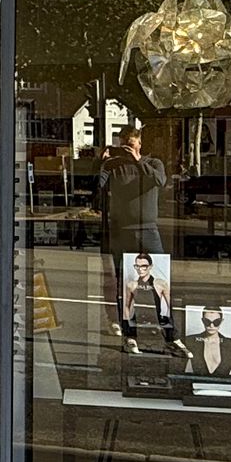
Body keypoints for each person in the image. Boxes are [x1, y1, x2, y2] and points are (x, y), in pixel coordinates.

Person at [95, 124, 169, 348]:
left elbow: (159, 181)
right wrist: (101, 163)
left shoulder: (152, 163)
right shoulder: (114, 166)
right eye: (124, 144)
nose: (127, 148)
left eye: (132, 143)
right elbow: (98, 190)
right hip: (122, 230)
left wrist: (137, 161)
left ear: (139, 143)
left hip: (148, 229)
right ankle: (130, 334)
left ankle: (169, 333)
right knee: (127, 285)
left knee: (161, 283)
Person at [121, 252, 174, 354]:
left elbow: (170, 306)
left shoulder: (160, 284)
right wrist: (129, 328)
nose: (140, 269)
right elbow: (127, 306)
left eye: (144, 266)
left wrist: (168, 327)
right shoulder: (131, 285)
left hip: (156, 321)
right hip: (138, 321)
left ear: (150, 267)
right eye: (137, 266)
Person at [182, 308, 231, 379]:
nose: (211, 326)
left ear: (221, 321)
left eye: (216, 322)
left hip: (224, 387)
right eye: (207, 322)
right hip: (198, 385)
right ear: (202, 321)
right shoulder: (190, 341)